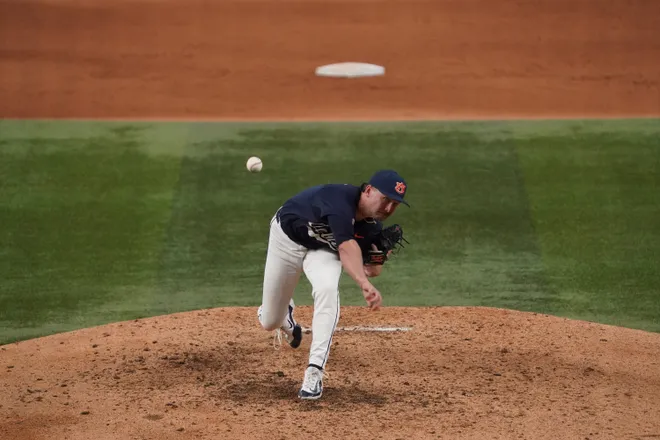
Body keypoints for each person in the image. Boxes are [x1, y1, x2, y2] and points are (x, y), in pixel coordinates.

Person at [257, 169, 409, 400]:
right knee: (269, 321)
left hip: (321, 251)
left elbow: (372, 269)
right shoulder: (338, 200)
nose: (388, 209)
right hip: (285, 240)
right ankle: (285, 317)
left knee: (327, 288)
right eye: (385, 199)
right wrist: (362, 283)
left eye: (395, 205)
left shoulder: (371, 226)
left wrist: (378, 257)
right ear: (368, 191)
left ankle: (314, 370)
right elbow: (347, 248)